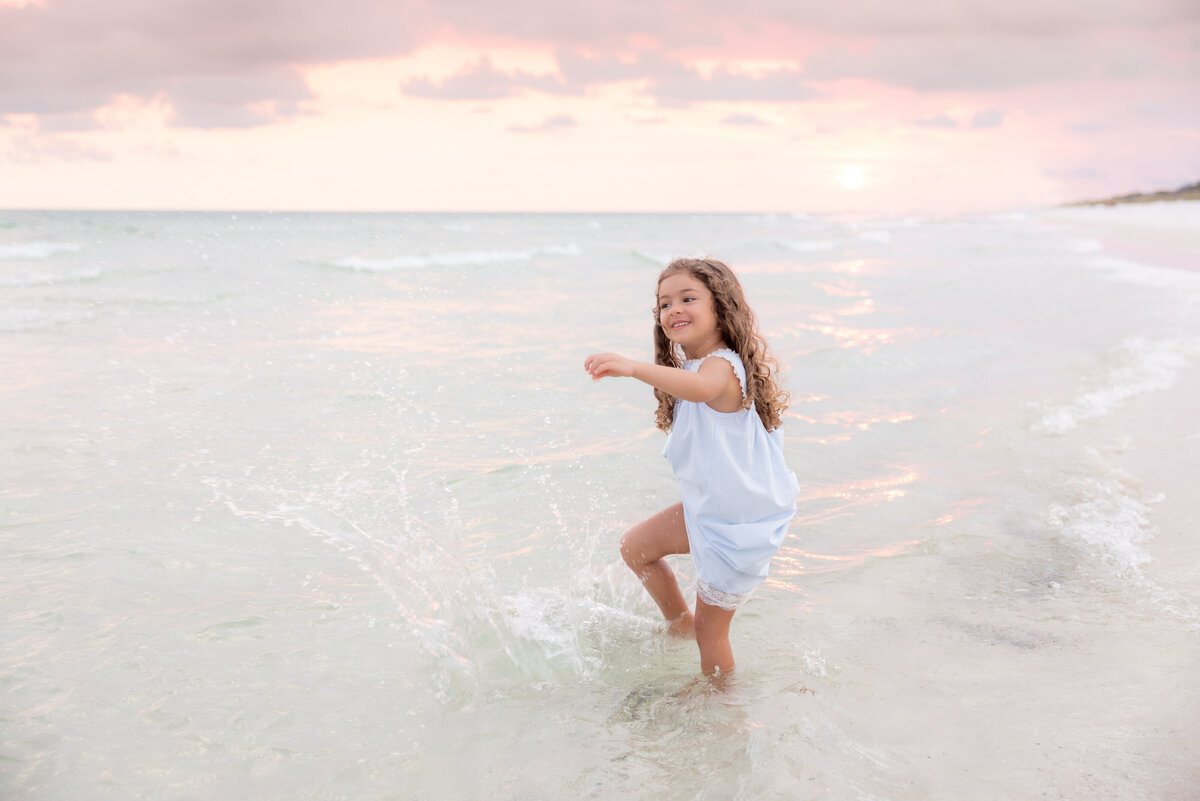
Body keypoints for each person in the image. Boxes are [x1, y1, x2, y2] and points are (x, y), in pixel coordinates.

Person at [584, 257, 798, 675]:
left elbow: (702, 390)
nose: (673, 309)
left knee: (711, 632)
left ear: (721, 307)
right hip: (710, 510)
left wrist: (632, 368)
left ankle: (721, 701)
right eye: (664, 304)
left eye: (688, 298)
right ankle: (678, 624)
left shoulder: (722, 366)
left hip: (738, 523)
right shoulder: (694, 368)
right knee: (636, 548)